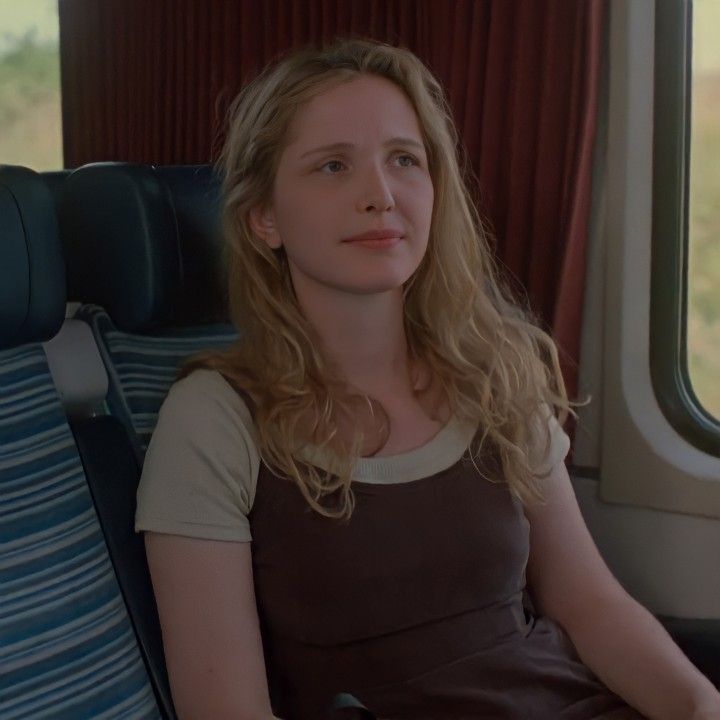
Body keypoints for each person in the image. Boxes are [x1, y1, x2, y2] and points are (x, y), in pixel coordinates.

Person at [135, 37, 720, 720]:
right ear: (264, 217)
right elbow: (225, 709)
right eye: (332, 166)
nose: (380, 196)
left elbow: (590, 605)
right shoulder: (214, 418)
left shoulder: (493, 370)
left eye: (404, 161)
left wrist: (699, 707)